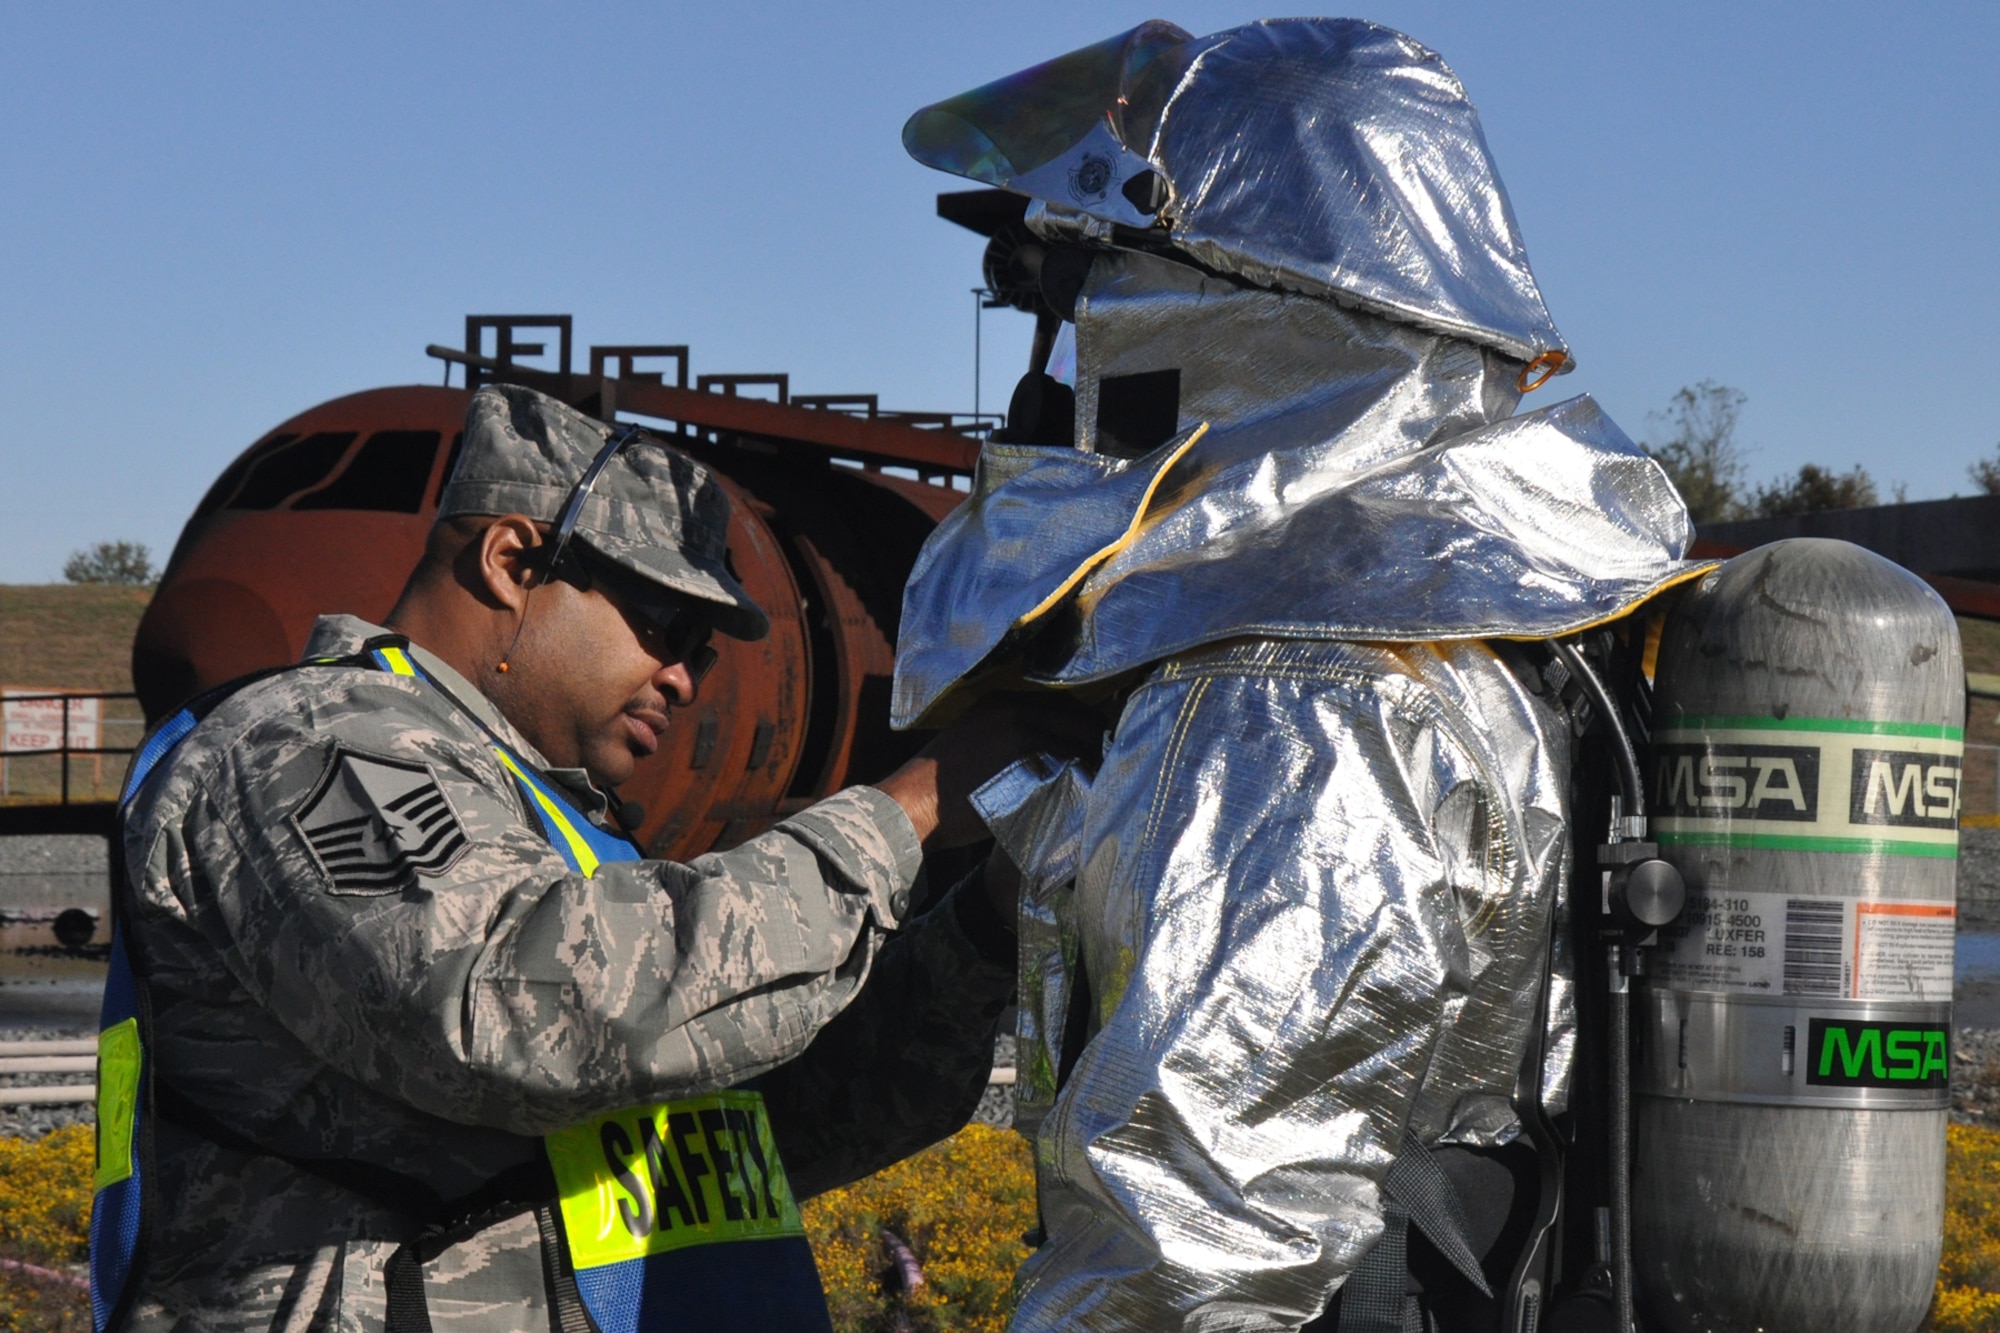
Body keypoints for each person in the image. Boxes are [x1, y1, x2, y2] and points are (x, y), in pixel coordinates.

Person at [893, 19, 1702, 1332]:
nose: (1055, 369)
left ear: (1225, 310)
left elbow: (1184, 1258)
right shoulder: (1476, 639)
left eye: (1079, 293)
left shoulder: (1295, 701)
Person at [91, 384, 1082, 1333]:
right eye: (662, 623)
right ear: (514, 562)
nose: (685, 677)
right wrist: (902, 811)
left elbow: (778, 1114)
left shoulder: (557, 825)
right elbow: (524, 1011)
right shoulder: (307, 745)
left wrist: (987, 915)